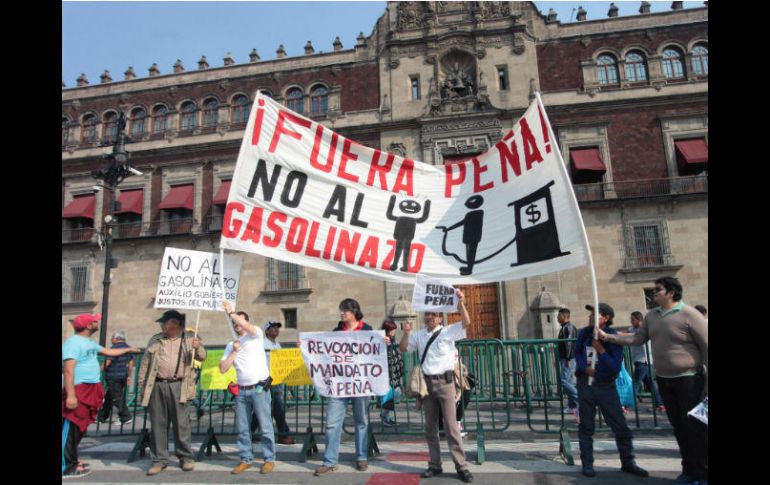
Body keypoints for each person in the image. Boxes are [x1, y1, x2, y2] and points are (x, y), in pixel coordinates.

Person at [599, 277, 707, 485]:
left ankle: (702, 473)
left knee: (695, 428)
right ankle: (688, 470)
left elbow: (707, 345)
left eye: (658, 289)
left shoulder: (690, 315)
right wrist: (609, 337)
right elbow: (637, 339)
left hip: (690, 380)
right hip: (665, 380)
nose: (654, 293)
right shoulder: (652, 317)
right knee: (678, 427)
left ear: (671, 292)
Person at [400, 289, 474, 483]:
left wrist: (461, 303)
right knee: (430, 428)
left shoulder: (448, 331)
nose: (430, 317)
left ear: (440, 318)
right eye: (427, 315)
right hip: (427, 385)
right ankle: (435, 464)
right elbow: (404, 348)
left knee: (451, 427)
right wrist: (406, 333)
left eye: (433, 315)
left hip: (446, 383)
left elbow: (467, 323)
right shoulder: (419, 335)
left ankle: (461, 466)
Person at [574, 303, 648, 479]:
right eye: (590, 315)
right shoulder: (584, 333)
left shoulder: (613, 337)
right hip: (586, 385)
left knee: (619, 425)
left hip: (606, 385)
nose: (590, 318)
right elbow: (578, 353)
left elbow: (614, 366)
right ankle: (587, 464)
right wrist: (585, 368)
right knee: (586, 426)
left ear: (605, 318)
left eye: (595, 315)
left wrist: (601, 350)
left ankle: (628, 461)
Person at [62, 313, 140, 479]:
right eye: (94, 321)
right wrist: (70, 395)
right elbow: (68, 370)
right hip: (78, 389)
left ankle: (72, 460)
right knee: (71, 428)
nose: (97, 322)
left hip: (89, 388)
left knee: (80, 427)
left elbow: (108, 351)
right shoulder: (72, 344)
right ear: (88, 325)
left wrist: (129, 349)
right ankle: (66, 466)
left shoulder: (89, 342)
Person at [137, 310, 206, 476]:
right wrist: (142, 385)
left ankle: (185, 457)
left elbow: (203, 357)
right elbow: (145, 363)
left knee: (181, 424)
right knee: (158, 424)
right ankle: (159, 460)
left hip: (179, 385)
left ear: (175, 324)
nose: (162, 325)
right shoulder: (155, 339)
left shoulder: (190, 338)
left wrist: (198, 348)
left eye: (165, 323)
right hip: (158, 385)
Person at [314, 298, 375, 476]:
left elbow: (374, 353)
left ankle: (361, 456)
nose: (342, 313)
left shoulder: (367, 330)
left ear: (354, 312)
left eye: (345, 310)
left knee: (361, 421)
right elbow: (324, 354)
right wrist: (307, 348)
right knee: (332, 423)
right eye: (341, 310)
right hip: (339, 384)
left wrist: (384, 342)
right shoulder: (336, 332)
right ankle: (330, 461)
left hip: (360, 384)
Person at [220, 302, 277, 475]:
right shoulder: (231, 344)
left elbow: (245, 325)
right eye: (235, 323)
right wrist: (234, 352)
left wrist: (231, 312)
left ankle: (269, 459)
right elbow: (223, 368)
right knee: (243, 428)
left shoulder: (256, 335)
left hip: (259, 388)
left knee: (265, 425)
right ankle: (246, 459)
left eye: (240, 322)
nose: (237, 325)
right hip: (242, 391)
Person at [263, 319, 296, 445]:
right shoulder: (263, 344)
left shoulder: (277, 344)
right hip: (267, 380)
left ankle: (251, 430)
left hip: (276, 380)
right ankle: (283, 433)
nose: (276, 329)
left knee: (269, 408)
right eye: (273, 327)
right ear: (267, 330)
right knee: (277, 407)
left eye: (277, 327)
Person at [627, 311, 665, 413]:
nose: (631, 321)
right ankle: (660, 404)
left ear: (639, 320)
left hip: (643, 360)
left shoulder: (645, 329)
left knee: (635, 383)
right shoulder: (632, 329)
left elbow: (635, 335)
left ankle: (628, 405)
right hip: (640, 360)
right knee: (651, 384)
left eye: (633, 319)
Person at [97, 330, 135, 425]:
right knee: (110, 396)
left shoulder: (114, 348)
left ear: (116, 339)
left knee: (117, 398)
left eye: (112, 338)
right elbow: (131, 364)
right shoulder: (128, 348)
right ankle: (102, 417)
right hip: (123, 375)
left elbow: (108, 362)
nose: (111, 340)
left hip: (113, 376)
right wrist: (129, 377)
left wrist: (98, 369)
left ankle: (126, 417)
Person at [379, 319, 404, 427]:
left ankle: (386, 416)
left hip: (395, 373)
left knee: (395, 393)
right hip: (387, 373)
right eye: (392, 329)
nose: (394, 331)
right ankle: (385, 416)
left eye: (394, 329)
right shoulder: (383, 340)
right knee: (390, 395)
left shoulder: (393, 340)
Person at [556, 308, 579, 417]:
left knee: (564, 381)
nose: (557, 318)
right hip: (565, 358)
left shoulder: (568, 327)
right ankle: (572, 406)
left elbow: (569, 344)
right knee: (568, 381)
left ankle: (579, 398)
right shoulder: (564, 328)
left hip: (568, 359)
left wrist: (568, 358)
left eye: (558, 316)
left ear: (563, 316)